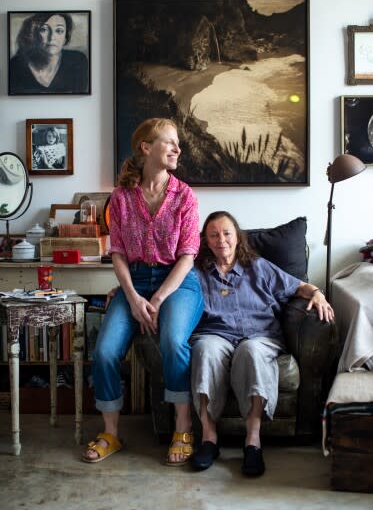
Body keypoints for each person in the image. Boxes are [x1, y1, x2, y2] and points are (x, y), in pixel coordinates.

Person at [82, 118, 204, 465]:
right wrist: (134, 298)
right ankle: (111, 434)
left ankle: (183, 428)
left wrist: (159, 299)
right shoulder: (120, 198)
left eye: (177, 143)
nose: (177, 149)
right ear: (146, 147)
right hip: (134, 282)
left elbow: (187, 256)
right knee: (105, 351)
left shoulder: (185, 196)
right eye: (169, 142)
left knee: (171, 340)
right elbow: (117, 253)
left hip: (178, 283)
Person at [190, 211, 334, 476]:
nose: (221, 240)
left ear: (237, 237)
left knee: (251, 351)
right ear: (206, 241)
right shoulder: (196, 273)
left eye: (226, 233)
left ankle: (253, 440)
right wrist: (124, 292)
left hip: (259, 334)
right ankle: (209, 439)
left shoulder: (258, 267)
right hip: (215, 334)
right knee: (204, 350)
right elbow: (166, 288)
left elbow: (297, 287)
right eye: (213, 235)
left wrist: (317, 294)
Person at [9, 12, 88, 94]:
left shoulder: (78, 61)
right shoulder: (16, 65)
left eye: (59, 30)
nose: (52, 37)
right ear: (33, 34)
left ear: (65, 37)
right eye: (44, 30)